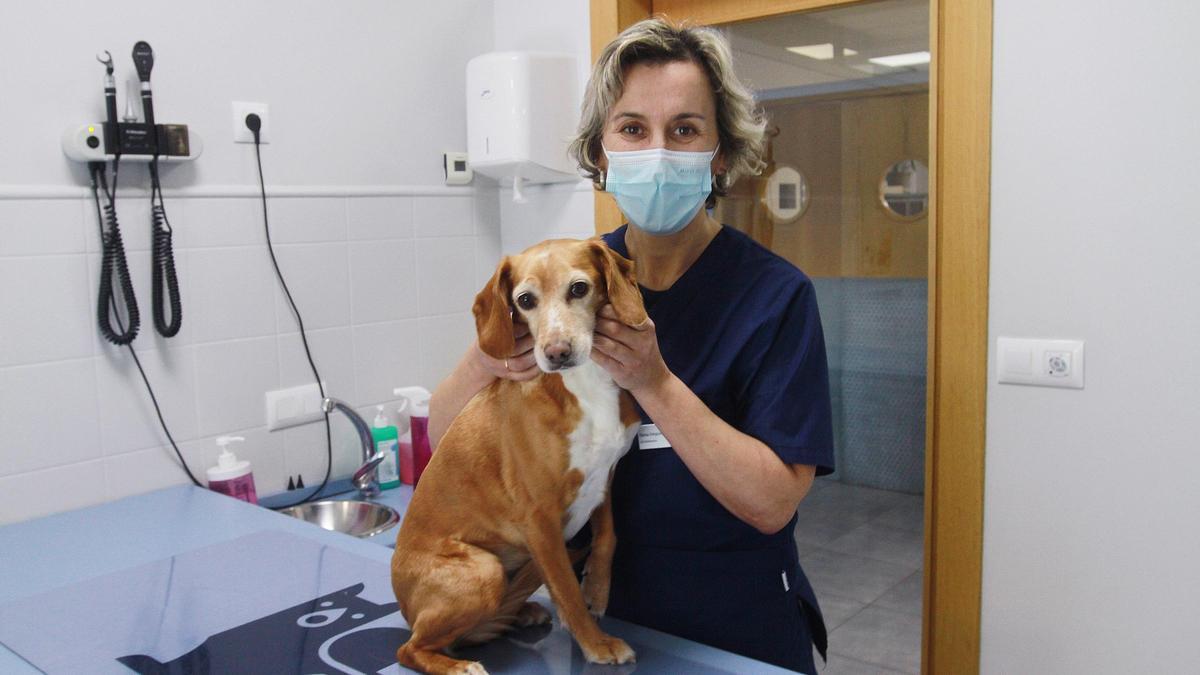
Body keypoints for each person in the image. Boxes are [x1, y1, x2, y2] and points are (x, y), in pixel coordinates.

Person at [428, 17, 834, 673]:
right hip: (602, 620)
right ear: (601, 153)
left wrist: (654, 382)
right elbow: (444, 440)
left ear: (720, 153)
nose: (658, 152)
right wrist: (489, 355)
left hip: (737, 629)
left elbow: (772, 501)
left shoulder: (775, 297)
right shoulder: (568, 282)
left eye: (685, 129)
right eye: (633, 129)